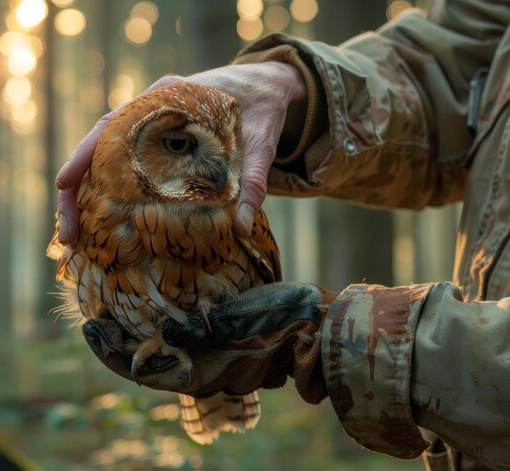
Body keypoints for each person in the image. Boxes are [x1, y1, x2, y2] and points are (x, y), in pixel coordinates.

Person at [55, 0, 510, 469]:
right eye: (177, 144)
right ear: (127, 154)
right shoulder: (102, 210)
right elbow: (458, 64)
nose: (216, 171)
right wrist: (297, 85)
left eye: (231, 148)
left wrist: (338, 337)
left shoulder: (234, 220)